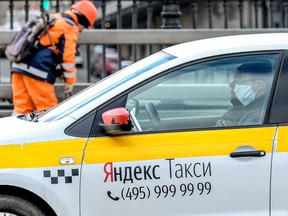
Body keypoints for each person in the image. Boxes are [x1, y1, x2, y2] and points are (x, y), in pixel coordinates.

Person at [10, 0, 97, 115]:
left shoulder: (55, 18)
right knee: (48, 111)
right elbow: (68, 57)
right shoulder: (70, 26)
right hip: (37, 71)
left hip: (19, 65)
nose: (81, 30)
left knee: (22, 109)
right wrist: (69, 82)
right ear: (84, 20)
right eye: (85, 27)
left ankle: (16, 131)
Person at [216, 60, 272, 126]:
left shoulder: (257, 116)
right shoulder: (246, 108)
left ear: (258, 85)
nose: (231, 84)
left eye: (239, 80)